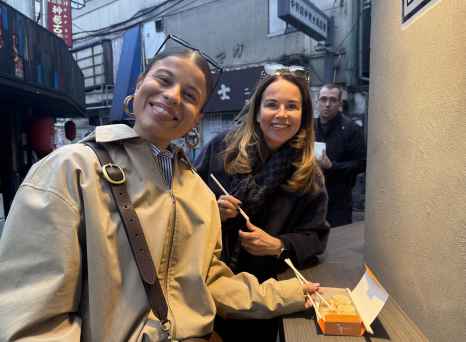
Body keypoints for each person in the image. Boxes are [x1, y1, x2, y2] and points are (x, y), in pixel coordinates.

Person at [0, 47, 320, 341]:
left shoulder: (198, 193)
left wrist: (292, 293)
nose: (172, 96)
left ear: (197, 117)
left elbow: (209, 283)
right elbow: (33, 316)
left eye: (190, 95)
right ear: (139, 84)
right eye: (163, 79)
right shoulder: (72, 168)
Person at [194, 72, 329, 341]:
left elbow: (316, 236)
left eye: (292, 106)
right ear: (257, 112)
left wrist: (278, 245)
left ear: (303, 115)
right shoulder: (222, 148)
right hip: (209, 283)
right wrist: (213, 210)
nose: (282, 114)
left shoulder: (308, 172)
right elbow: (183, 207)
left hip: (266, 292)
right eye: (271, 105)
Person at [315, 84, 366, 227]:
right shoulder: (310, 127)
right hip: (312, 198)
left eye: (332, 100)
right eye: (323, 99)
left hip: (339, 200)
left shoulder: (352, 129)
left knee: (337, 242)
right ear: (318, 102)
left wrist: (332, 166)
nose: (327, 104)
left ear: (339, 103)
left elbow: (361, 163)